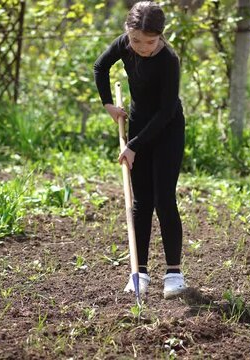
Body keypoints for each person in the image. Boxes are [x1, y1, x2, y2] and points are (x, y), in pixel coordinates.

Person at [93, 1, 187, 299]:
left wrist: (133, 146)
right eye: (136, 40)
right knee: (140, 201)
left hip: (167, 129)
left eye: (150, 42)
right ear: (127, 32)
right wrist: (108, 103)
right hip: (138, 127)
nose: (142, 47)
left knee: (163, 199)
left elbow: (166, 111)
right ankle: (140, 273)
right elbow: (100, 66)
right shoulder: (125, 44)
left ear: (161, 36)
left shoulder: (169, 60)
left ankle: (174, 273)